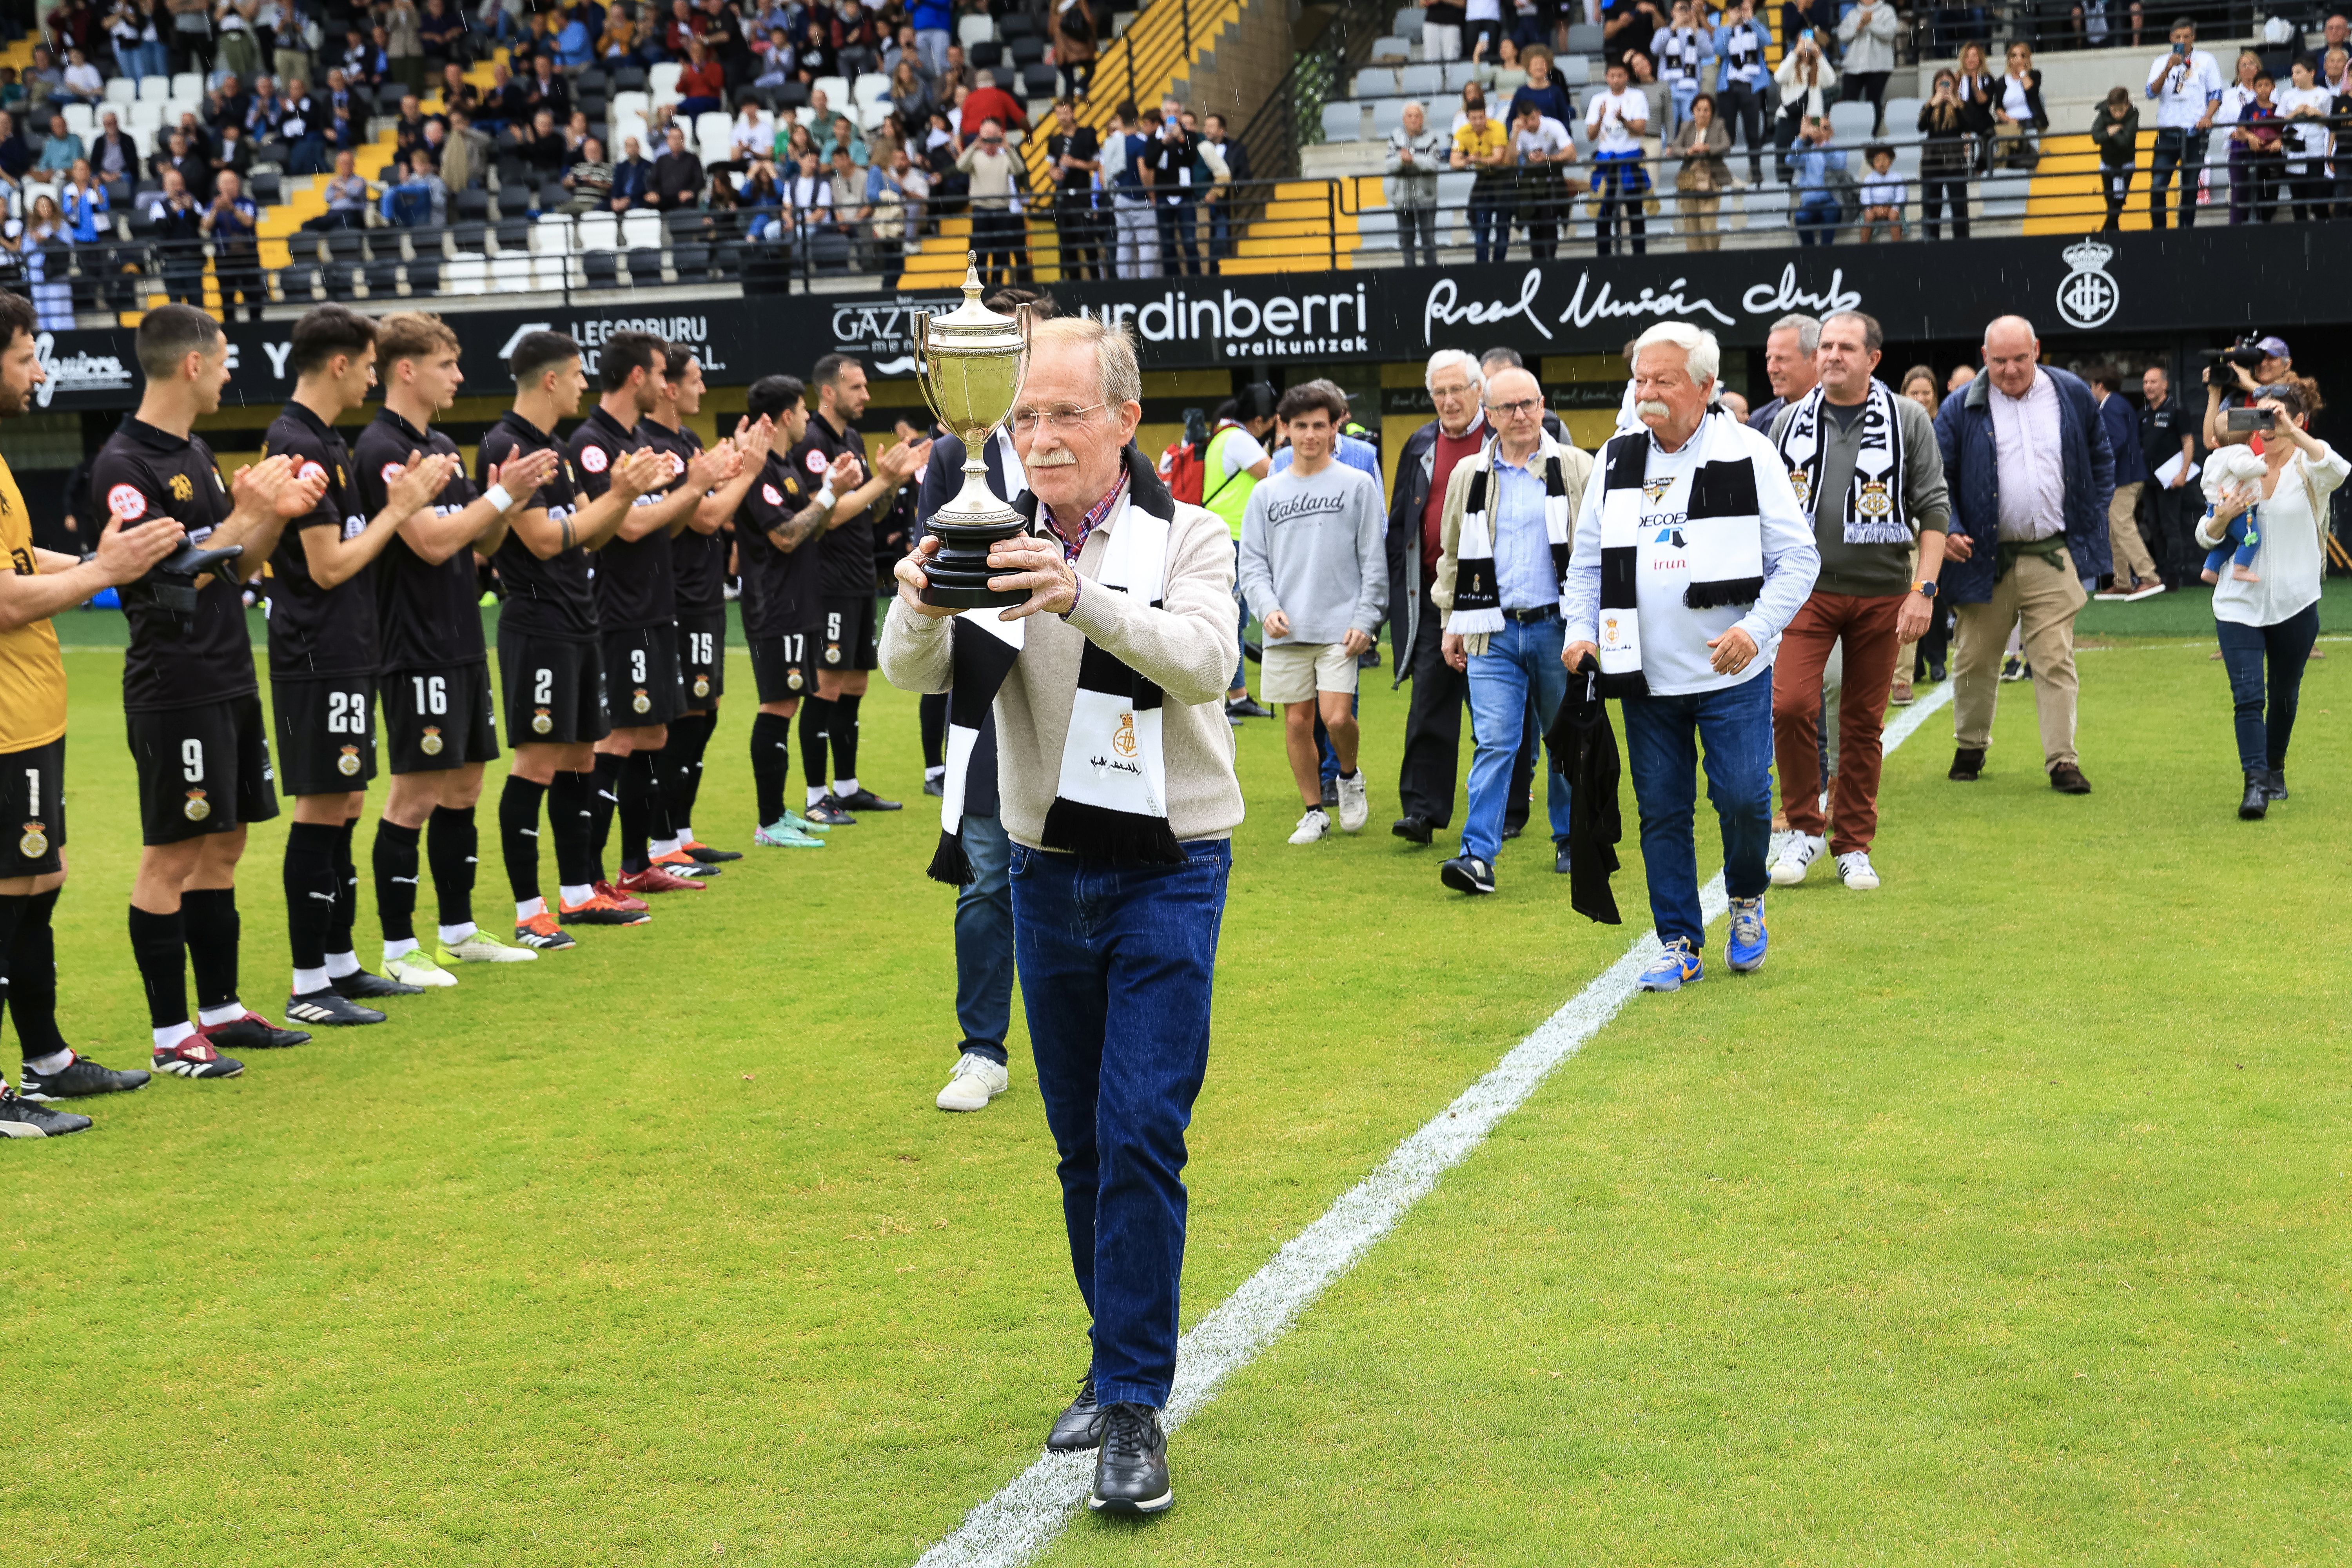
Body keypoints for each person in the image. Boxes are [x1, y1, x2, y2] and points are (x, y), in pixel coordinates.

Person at [881, 314, 1242, 1518]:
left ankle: (1133, 1401)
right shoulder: (989, 529)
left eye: (1061, 413)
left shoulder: (1187, 533)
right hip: (1045, 864)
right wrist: (923, 598)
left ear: (1125, 423)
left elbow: (1204, 662)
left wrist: (1079, 594)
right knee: (1083, 1140)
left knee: (1141, 1123)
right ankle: (1112, 1356)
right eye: (1021, 413)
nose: (1036, 435)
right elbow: (911, 674)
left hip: (1168, 861)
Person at [95, 305, 329, 1082]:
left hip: (229, 673)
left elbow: (238, 564)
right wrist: (245, 513)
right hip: (175, 686)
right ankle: (170, 1035)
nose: (232, 372)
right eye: (225, 359)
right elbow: (165, 574)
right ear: (192, 364)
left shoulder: (197, 449)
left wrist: (273, 516)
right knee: (172, 851)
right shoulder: (124, 464)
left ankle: (221, 1007)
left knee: (225, 843)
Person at [1563, 323, 1819, 991]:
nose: (1646, 392)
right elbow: (1586, 564)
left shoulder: (1749, 452)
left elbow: (1799, 559)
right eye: (1640, 379)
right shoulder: (1615, 459)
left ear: (1705, 387)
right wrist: (1578, 632)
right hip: (1643, 672)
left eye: (1663, 380)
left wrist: (1756, 630)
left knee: (1741, 797)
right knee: (1663, 809)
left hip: (1733, 670)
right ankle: (1679, 939)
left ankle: (1744, 897)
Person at [0, 293, 184, 1133]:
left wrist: (115, 566)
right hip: (4, 719)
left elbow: (19, 558)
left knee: (41, 879)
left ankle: (46, 1059)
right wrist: (103, 569)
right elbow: (5, 599)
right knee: (9, 888)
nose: (39, 371)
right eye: (25, 357)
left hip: (33, 712)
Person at [259, 307, 463, 1025]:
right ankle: (308, 983)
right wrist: (399, 508)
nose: (375, 377)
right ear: (340, 363)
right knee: (322, 806)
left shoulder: (326, 440)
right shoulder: (297, 442)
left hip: (350, 649)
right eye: (370, 365)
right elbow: (327, 565)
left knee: (345, 803)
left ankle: (341, 965)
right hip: (316, 653)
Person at [357, 312, 560, 982]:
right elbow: (431, 542)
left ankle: (459, 931)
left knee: (467, 784)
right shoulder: (381, 447)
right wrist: (505, 492)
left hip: (460, 638)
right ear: (407, 369)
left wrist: (507, 502)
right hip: (413, 646)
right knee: (413, 794)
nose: (460, 376)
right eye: (448, 364)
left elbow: (478, 546)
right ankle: (395, 950)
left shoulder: (439, 441)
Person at [480, 332, 666, 939]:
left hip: (580, 621)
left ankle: (577, 893)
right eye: (578, 373)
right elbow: (539, 540)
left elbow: (590, 534)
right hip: (537, 625)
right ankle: (527, 912)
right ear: (551, 380)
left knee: (583, 756)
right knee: (536, 763)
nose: (587, 384)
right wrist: (619, 494)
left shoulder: (553, 448)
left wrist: (627, 494)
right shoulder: (506, 445)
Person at [1764, 310, 1951, 893]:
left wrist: (1923, 591)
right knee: (1791, 705)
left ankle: (1853, 844)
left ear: (1873, 358)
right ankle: (1802, 827)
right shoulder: (1787, 422)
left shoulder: (1909, 419)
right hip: (1805, 590)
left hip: (1883, 593)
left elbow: (1935, 509)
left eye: (1846, 347)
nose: (1832, 355)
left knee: (1863, 725)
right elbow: (1766, 515)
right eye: (1826, 347)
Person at [561, 330, 735, 902]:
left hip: (657, 608)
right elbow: (628, 528)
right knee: (617, 741)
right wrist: (695, 487)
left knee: (654, 732)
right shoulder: (592, 444)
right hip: (620, 612)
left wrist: (692, 489)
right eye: (662, 374)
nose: (667, 385)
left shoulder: (635, 439)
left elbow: (672, 521)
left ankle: (637, 865)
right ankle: (588, 878)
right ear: (638, 377)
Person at [1430, 365, 1593, 894]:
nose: (1520, 416)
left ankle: (1571, 838)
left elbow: (1594, 555)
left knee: (1566, 740)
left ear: (1543, 405)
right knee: (1496, 742)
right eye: (1507, 408)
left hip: (1558, 628)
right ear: (1490, 415)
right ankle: (1477, 855)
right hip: (1490, 631)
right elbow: (1453, 556)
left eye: (1528, 404)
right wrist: (1450, 621)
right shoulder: (1468, 477)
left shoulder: (1577, 469)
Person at [1935, 316, 2113, 796]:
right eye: (1999, 361)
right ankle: (1970, 745)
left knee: (2055, 658)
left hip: (2051, 554)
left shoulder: (2072, 393)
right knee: (1974, 659)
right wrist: (1949, 528)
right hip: (1981, 559)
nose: (2010, 370)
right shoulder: (1958, 407)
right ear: (1984, 356)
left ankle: (2063, 760)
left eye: (2020, 358)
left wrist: (2091, 513)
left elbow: (2101, 456)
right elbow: (1936, 477)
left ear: (2037, 349)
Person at [1239, 382, 1387, 846]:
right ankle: (1313, 811)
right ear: (1285, 428)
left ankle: (1348, 775)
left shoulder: (1358, 485)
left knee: (1337, 718)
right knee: (1298, 722)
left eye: (1319, 425)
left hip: (1340, 628)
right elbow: (1253, 564)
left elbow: (1373, 561)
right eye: (1300, 425)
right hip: (1287, 627)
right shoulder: (1267, 493)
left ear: (1335, 425)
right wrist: (1266, 609)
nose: (1309, 435)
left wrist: (1366, 620)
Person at [639, 342, 768, 872]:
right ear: (669, 387)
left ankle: (680, 833)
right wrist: (748, 471)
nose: (702, 388)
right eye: (694, 379)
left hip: (703, 595)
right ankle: (658, 841)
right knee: (680, 720)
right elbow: (707, 517)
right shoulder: (650, 445)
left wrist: (732, 464)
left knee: (704, 715)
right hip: (674, 599)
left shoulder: (687, 439)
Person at [2197, 378, 2339, 818]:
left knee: (2284, 693)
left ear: (2299, 420)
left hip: (2296, 601)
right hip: (2238, 601)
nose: (2268, 426)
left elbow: (2336, 468)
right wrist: (2222, 517)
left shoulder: (2309, 466)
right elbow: (2205, 535)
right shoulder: (2241, 464)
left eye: (2277, 416)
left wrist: (2294, 433)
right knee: (2247, 696)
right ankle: (2255, 783)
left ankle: (2275, 767)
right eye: (2262, 417)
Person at [737, 373, 861, 849]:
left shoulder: (784, 465)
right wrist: (830, 493)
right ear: (786, 416)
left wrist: (834, 486)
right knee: (777, 706)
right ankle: (769, 821)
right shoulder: (759, 471)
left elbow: (810, 525)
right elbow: (785, 535)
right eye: (803, 411)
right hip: (775, 606)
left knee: (786, 706)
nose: (808, 418)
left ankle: (778, 810)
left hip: (798, 603)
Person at [802, 352, 924, 822]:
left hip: (856, 579)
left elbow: (867, 512)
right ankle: (816, 798)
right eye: (857, 387)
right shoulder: (813, 442)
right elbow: (828, 513)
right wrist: (886, 480)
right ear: (829, 393)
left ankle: (847, 787)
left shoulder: (850, 438)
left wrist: (889, 488)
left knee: (854, 683)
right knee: (826, 686)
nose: (867, 395)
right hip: (827, 582)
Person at [1387, 350, 1485, 846]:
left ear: (1478, 390)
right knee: (1429, 703)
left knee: (1495, 704)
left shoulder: (1500, 435)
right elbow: (1402, 521)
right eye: (1439, 393)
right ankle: (1422, 811)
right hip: (1431, 596)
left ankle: (1508, 808)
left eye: (1457, 390)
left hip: (1491, 598)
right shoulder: (1420, 444)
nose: (1448, 401)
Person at [1200, 384, 1276, 720]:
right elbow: (1275, 475)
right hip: (1232, 537)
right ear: (1260, 420)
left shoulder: (1223, 435)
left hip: (1229, 535)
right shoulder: (1240, 439)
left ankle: (1238, 694)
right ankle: (1222, 699)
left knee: (1235, 619)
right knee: (1230, 620)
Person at [2086, 365, 2161, 598]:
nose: (2090, 390)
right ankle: (2122, 581)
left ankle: (2149, 577)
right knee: (2115, 528)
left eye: (2091, 386)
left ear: (2100, 386)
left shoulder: (2111, 406)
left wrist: (2096, 463)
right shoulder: (2117, 404)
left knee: (2122, 525)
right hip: (2125, 476)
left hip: (2124, 478)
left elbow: (2115, 440)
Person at [2146, 17, 2222, 229]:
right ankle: (2160, 232)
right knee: (2158, 186)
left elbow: (2216, 94)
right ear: (2171, 37)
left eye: (2187, 36)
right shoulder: (2161, 62)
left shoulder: (2206, 60)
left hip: (2195, 134)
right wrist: (2168, 68)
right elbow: (2151, 93)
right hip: (2168, 133)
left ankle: (2185, 231)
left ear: (2193, 37)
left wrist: (2208, 117)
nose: (2182, 40)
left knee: (2190, 189)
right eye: (2178, 36)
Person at [2140, 363, 2197, 586]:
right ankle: (2160, 572)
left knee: (2170, 526)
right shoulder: (2142, 414)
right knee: (2152, 525)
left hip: (2171, 480)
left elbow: (2188, 442)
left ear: (2165, 385)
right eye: (2145, 382)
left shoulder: (2177, 412)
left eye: (2153, 382)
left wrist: (2183, 473)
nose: (2148, 386)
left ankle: (2173, 576)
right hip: (2149, 481)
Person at [1585, 57, 1648, 256]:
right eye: (1612, 76)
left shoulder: (1637, 96)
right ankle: (1603, 258)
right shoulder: (1598, 100)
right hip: (1606, 161)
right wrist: (1602, 116)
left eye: (1620, 75)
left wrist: (1623, 119)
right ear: (1606, 77)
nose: (1616, 80)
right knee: (1603, 213)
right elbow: (1590, 135)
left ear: (1627, 76)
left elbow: (1640, 130)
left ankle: (1640, 257)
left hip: (1630, 160)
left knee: (1635, 212)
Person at [1713, 0, 1773, 184]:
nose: (1739, 12)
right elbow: (1719, 49)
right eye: (1735, 9)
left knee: (1752, 132)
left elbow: (1768, 41)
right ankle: (1724, 172)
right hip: (1729, 87)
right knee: (1727, 132)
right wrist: (1730, 24)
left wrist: (1751, 19)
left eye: (1742, 8)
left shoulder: (1755, 27)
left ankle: (1755, 170)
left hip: (1750, 86)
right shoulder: (1723, 30)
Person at [1508, 98, 1572, 260]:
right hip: (1530, 184)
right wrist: (1515, 134)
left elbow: (1571, 154)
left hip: (1552, 179)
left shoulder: (1553, 126)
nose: (1530, 124)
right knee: (1533, 224)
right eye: (1525, 120)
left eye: (1533, 119)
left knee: (1549, 222)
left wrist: (1547, 158)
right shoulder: (1519, 131)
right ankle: (1538, 262)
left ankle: (1549, 260)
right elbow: (1509, 161)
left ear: (1539, 115)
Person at [1045, 98, 1100, 283]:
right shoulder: (1054, 141)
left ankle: (1096, 281)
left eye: (1065, 113)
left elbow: (1097, 164)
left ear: (1073, 113)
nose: (1062, 117)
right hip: (1062, 199)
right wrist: (1054, 173)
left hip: (1082, 196)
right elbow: (1049, 167)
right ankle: (1074, 284)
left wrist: (1076, 164)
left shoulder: (1087, 134)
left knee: (1087, 241)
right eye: (1059, 113)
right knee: (1067, 244)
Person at [1772, 25, 1835, 180]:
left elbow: (1831, 81)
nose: (1806, 45)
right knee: (1783, 162)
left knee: (1811, 160)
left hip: (1812, 118)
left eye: (1810, 41)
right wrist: (1795, 52)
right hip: (1787, 118)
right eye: (1803, 41)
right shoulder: (1790, 65)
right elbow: (1778, 78)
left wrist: (1819, 55)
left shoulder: (1818, 67)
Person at [1386, 101, 1445, 268]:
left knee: (1429, 241)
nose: (1413, 120)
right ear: (1404, 119)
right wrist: (1401, 161)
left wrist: (1412, 160)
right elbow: (1389, 165)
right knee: (1406, 242)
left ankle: (1432, 277)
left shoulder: (1432, 137)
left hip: (1426, 199)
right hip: (1401, 199)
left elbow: (1433, 164)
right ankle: (1410, 278)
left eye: (1417, 116)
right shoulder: (1395, 136)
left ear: (1422, 119)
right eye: (1410, 116)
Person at [1669, 93, 1730, 251]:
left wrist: (1707, 148)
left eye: (1706, 110)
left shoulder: (1719, 125)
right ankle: (1695, 262)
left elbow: (1726, 145)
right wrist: (1689, 151)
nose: (1702, 113)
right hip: (1689, 180)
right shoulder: (1686, 127)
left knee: (1708, 224)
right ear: (1693, 111)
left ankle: (1712, 258)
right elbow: (1675, 148)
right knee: (1691, 226)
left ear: (1712, 112)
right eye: (1699, 110)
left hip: (1712, 179)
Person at [1918, 68, 1973, 241]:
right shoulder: (1929, 106)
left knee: (1959, 204)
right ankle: (1932, 241)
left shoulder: (1962, 105)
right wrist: (1933, 104)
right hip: (1932, 160)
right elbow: (1921, 127)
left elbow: (1967, 126)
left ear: (1955, 85)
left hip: (1955, 160)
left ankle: (1962, 242)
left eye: (1948, 82)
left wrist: (1955, 103)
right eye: (1940, 83)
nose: (1944, 87)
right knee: (1932, 205)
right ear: (1935, 86)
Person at [1746, 313, 1821, 434]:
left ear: (1815, 358)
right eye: (1769, 359)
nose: (1771, 369)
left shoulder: (1842, 413)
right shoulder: (1759, 420)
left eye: (1781, 359)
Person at [1836, 0, 1896, 131]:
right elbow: (1841, 35)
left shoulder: (1887, 11)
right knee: (1849, 103)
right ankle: (1851, 134)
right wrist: (1858, 27)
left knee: (1874, 103)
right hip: (1854, 67)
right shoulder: (1853, 14)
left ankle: (1872, 138)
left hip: (1879, 66)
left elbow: (1890, 34)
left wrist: (1870, 24)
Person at [1788, 115, 1844, 245]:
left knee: (1830, 213)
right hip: (1809, 203)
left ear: (1831, 133)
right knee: (1800, 217)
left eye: (1825, 128)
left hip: (1831, 201)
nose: (1820, 131)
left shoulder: (1838, 151)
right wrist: (1802, 136)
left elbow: (1837, 164)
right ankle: (1810, 253)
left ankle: (1826, 252)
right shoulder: (1807, 154)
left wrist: (1821, 144)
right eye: (1817, 128)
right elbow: (1791, 161)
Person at [2090, 85, 2138, 231]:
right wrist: (2112, 130)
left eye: (2121, 110)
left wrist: (2110, 130)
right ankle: (2114, 235)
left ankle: (2104, 234)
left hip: (2126, 165)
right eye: (2114, 110)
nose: (2118, 114)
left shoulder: (2134, 114)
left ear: (2128, 105)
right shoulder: (2103, 113)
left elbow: (2125, 140)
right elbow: (2095, 137)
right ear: (2109, 106)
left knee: (2118, 202)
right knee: (2110, 202)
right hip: (2108, 164)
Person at [1857, 141, 1902, 241]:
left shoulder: (1897, 177)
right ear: (1872, 163)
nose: (1882, 163)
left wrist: (1895, 208)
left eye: (1885, 159)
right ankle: (1862, 246)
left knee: (1894, 216)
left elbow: (1901, 196)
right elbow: (1865, 197)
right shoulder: (1869, 178)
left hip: (1890, 207)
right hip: (1874, 207)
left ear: (1890, 161)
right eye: (1878, 160)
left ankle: (1898, 245)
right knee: (1868, 216)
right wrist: (1871, 208)